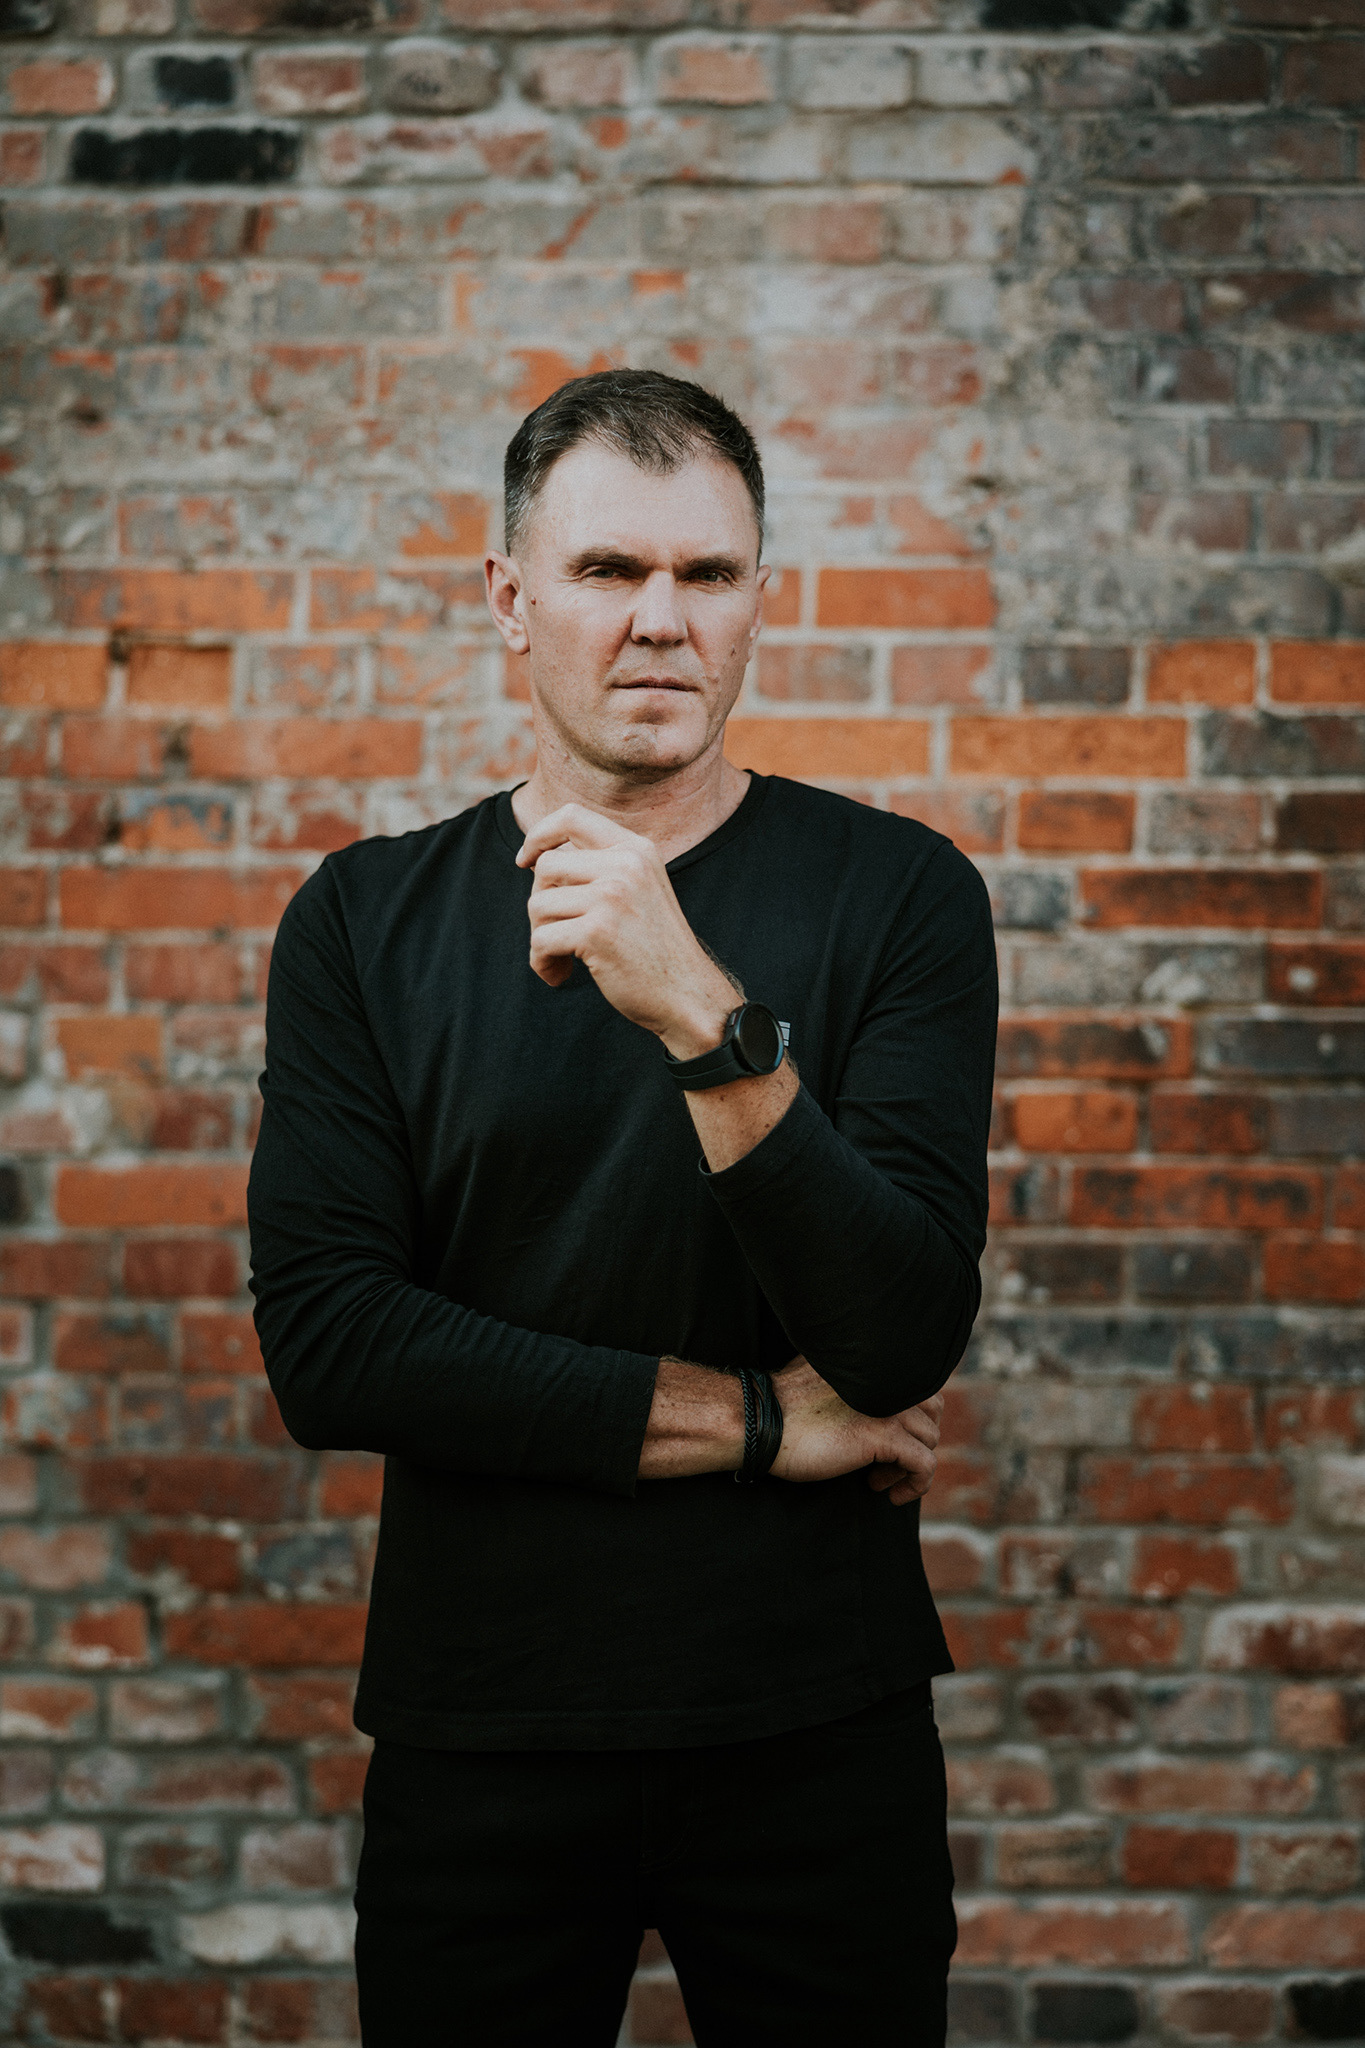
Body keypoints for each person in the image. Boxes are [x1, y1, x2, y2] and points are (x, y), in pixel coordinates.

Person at [248, 369, 997, 2048]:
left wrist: (697, 1017)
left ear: (757, 601)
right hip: (483, 1732)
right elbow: (333, 1347)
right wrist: (761, 1424)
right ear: (511, 599)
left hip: (814, 1727)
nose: (662, 619)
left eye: (705, 574)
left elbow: (895, 1334)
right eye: (607, 571)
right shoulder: (362, 921)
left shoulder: (900, 896)